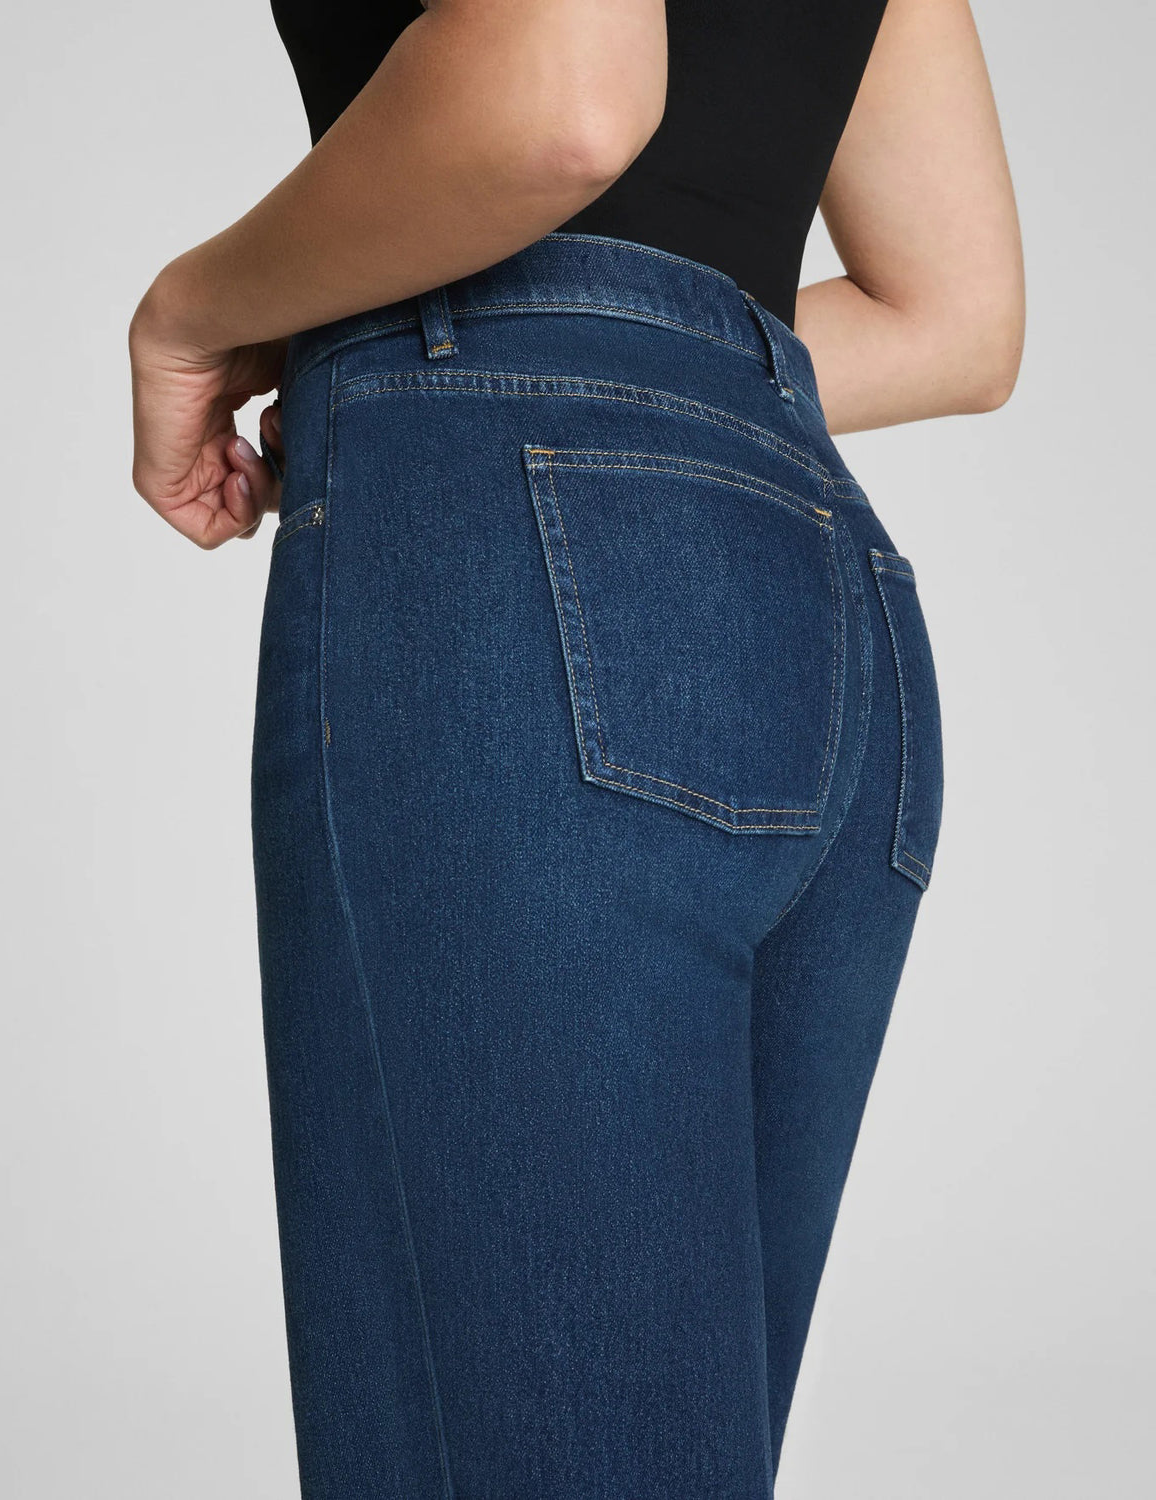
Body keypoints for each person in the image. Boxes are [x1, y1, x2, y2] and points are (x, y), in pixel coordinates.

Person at [128, 1, 1023, 1494]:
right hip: (812, 584)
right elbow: (961, 317)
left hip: (532, 580)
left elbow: (558, 98)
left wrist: (195, 313)